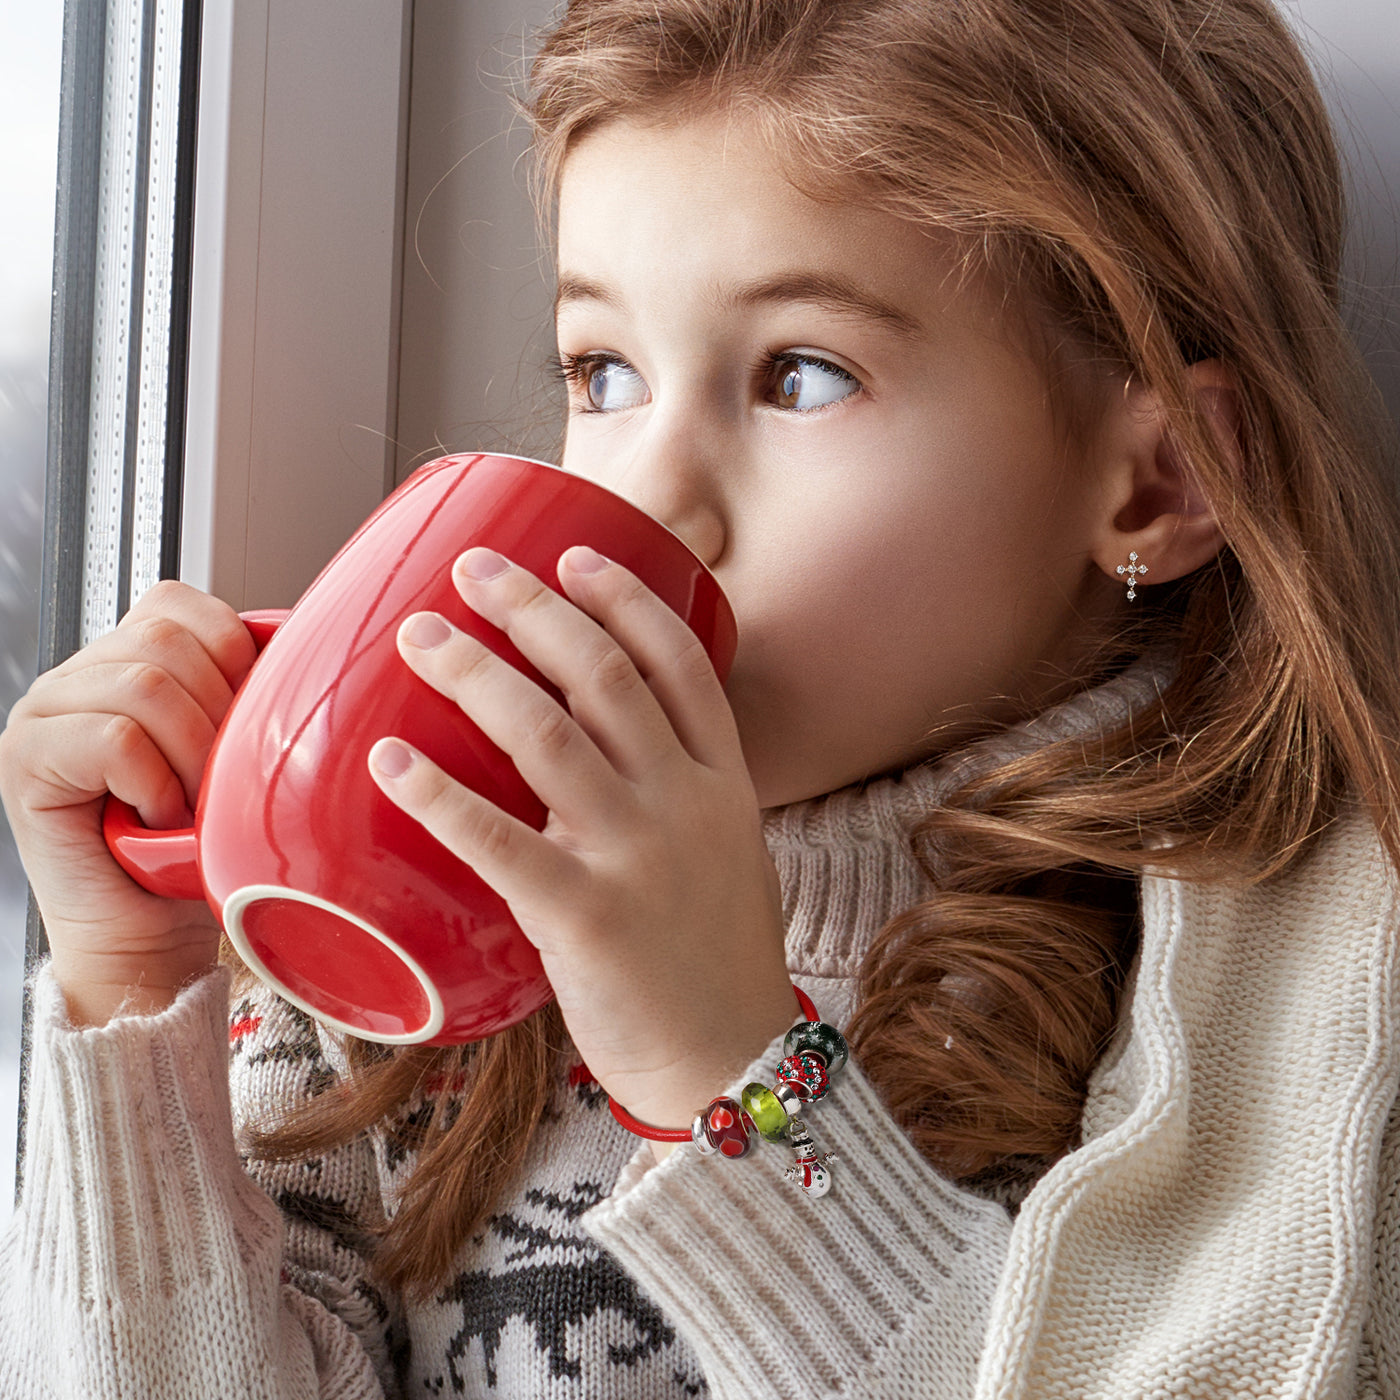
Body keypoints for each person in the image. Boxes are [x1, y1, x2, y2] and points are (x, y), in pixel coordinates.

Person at [3, 0, 1400, 1394]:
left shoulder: (1282, 991)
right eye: (603, 372)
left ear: (1161, 479)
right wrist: (137, 1002)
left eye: (800, 376)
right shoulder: (396, 914)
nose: (647, 495)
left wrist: (725, 1070)